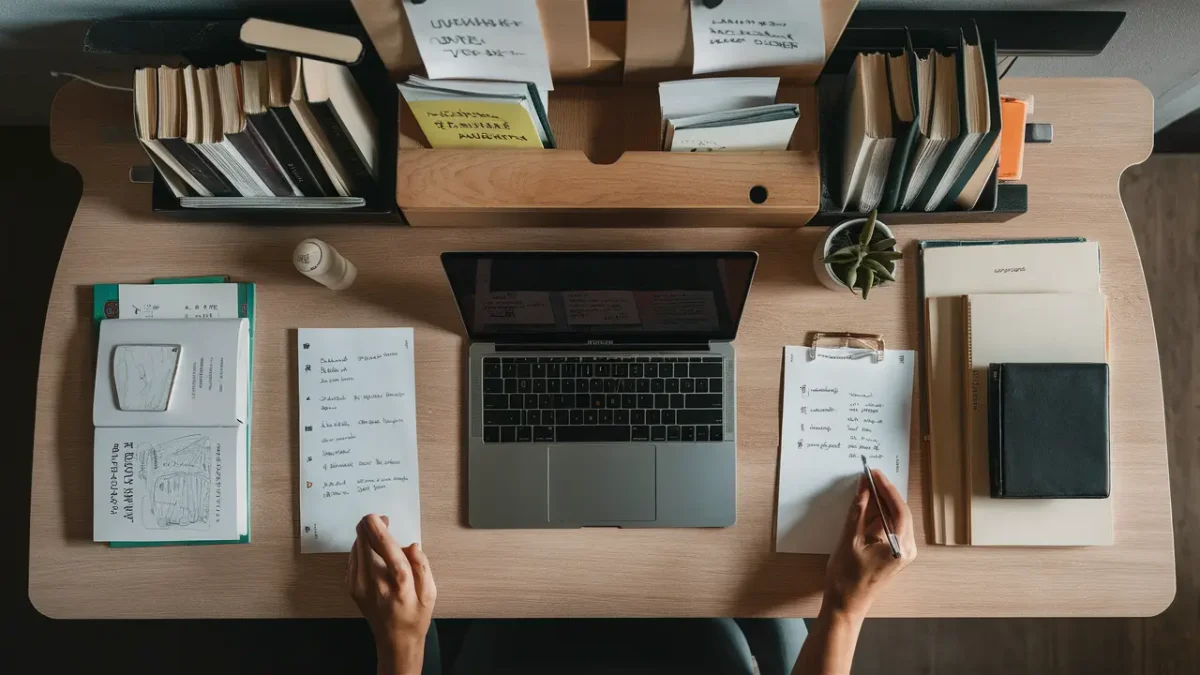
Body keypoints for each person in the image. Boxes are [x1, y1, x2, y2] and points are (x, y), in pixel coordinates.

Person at [347, 470, 916, 675]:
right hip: (706, 653)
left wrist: (399, 644)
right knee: (783, 607)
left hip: (512, 652)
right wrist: (843, 608)